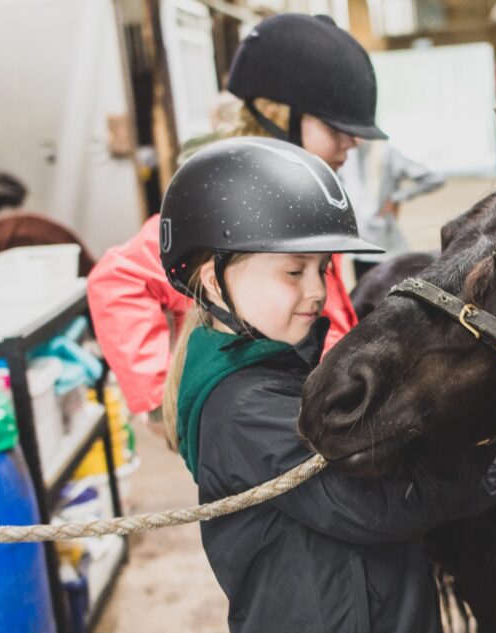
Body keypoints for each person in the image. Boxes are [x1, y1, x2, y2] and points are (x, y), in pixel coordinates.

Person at [159, 136, 496, 633]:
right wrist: (484, 472)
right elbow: (374, 505)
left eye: (323, 270)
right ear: (213, 277)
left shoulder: (263, 366)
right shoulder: (245, 406)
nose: (315, 292)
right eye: (293, 272)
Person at [87, 13, 381, 424]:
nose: (351, 142)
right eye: (336, 128)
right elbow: (116, 280)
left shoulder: (304, 202)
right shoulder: (236, 206)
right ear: (281, 117)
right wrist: (164, 398)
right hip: (267, 432)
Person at [338, 140, 444, 280]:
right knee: (363, 293)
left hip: (384, 242)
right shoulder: (345, 153)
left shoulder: (386, 152)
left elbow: (433, 179)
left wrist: (396, 198)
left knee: (386, 291)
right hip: (358, 242)